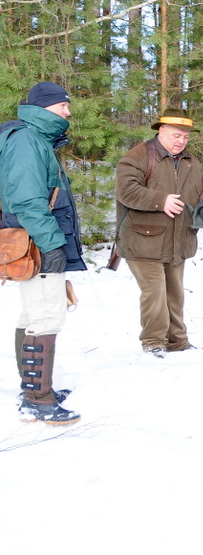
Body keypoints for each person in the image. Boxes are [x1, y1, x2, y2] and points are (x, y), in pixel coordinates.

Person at [0, 82, 85, 424]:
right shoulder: (27, 140)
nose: (68, 112)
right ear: (45, 107)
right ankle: (37, 399)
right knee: (46, 316)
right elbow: (27, 201)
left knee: (33, 314)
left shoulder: (34, 138)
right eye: (63, 106)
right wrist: (51, 244)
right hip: (37, 242)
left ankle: (33, 388)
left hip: (35, 240)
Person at [115, 108, 203, 357]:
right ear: (161, 131)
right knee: (155, 294)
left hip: (178, 239)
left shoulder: (191, 161)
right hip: (142, 240)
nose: (181, 141)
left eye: (186, 137)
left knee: (175, 293)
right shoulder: (137, 156)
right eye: (176, 135)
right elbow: (126, 191)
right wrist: (160, 200)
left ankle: (177, 342)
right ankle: (153, 343)